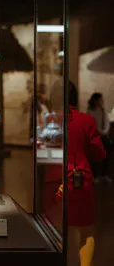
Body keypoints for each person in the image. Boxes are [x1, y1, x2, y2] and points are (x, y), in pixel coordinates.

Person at [56, 82, 106, 266]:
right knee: (85, 233)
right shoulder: (86, 120)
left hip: (55, 179)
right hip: (79, 180)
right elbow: (99, 153)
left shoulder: (51, 119)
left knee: (55, 230)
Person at [87, 92, 112, 184]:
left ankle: (104, 175)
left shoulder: (102, 110)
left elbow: (106, 122)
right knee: (96, 157)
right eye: (100, 100)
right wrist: (101, 132)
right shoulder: (90, 112)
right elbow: (93, 125)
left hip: (104, 137)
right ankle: (96, 175)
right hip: (95, 137)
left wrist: (105, 131)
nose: (102, 102)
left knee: (106, 155)